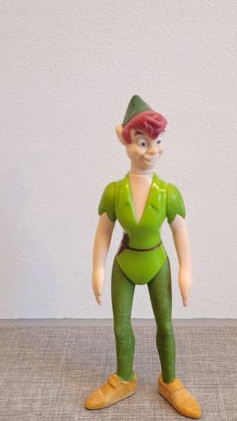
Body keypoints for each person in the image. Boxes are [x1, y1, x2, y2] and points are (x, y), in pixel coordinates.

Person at [84, 95, 202, 419]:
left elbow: (179, 231)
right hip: (125, 263)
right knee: (121, 326)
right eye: (142, 142)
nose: (152, 151)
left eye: (157, 141)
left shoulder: (167, 193)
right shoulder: (115, 192)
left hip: (157, 263)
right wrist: (97, 268)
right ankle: (124, 378)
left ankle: (170, 381)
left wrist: (186, 270)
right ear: (124, 140)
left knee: (165, 326)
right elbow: (103, 231)